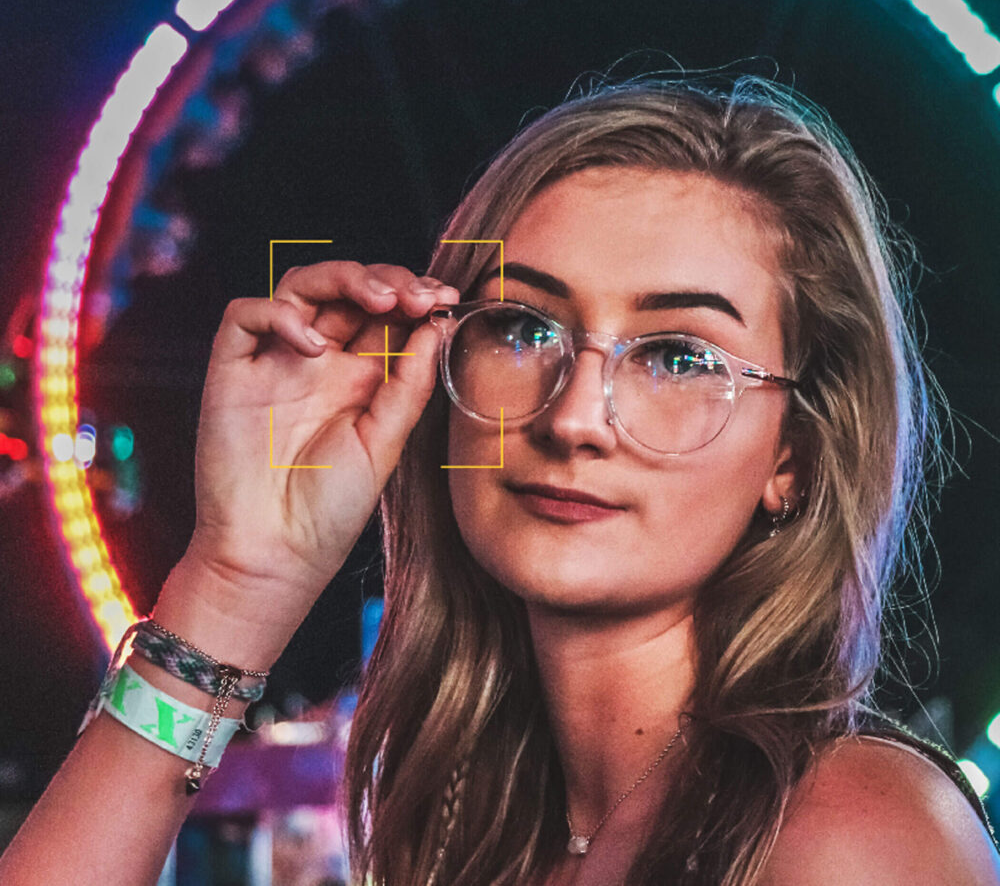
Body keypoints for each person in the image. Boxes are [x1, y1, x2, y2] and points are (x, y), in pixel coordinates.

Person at [2, 75, 998, 886]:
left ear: (795, 456)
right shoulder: (460, 840)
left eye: (679, 357)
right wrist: (236, 584)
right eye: (524, 329)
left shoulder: (849, 837)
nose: (570, 417)